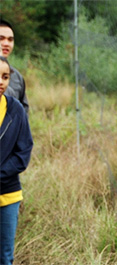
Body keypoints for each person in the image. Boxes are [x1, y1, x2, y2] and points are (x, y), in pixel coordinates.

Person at [0, 55, 33, 265]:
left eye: (5, 77)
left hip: (9, 195)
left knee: (5, 256)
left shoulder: (16, 109)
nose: (1, 82)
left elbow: (23, 154)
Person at [0, 19, 29, 114]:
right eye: (1, 38)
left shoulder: (17, 77)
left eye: (10, 40)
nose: (6, 43)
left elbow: (23, 112)